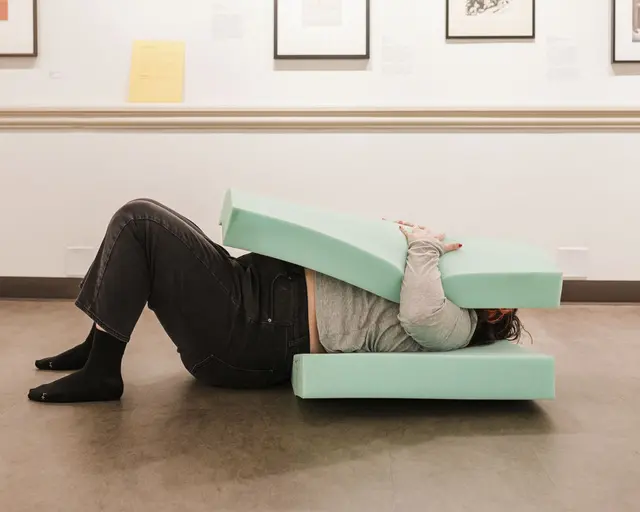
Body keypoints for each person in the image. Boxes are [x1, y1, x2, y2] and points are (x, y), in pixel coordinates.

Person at [28, 199, 523, 404]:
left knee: (141, 223)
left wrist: (423, 245)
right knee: (143, 215)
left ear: (497, 310)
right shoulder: (432, 279)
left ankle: (103, 371)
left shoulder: (456, 326)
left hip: (252, 330)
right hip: (253, 293)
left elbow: (420, 312)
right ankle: (99, 342)